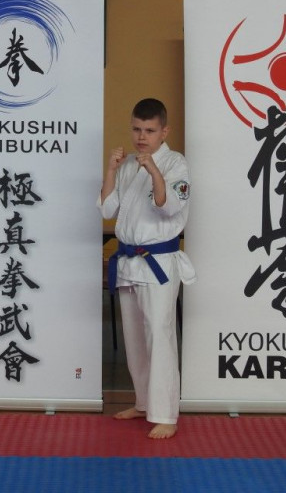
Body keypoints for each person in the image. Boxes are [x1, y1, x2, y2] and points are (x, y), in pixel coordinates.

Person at [98, 98, 196, 439]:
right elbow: (107, 210)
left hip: (158, 264)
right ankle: (143, 403)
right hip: (129, 262)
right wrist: (111, 170)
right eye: (137, 129)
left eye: (150, 131)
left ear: (164, 131)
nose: (142, 137)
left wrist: (154, 170)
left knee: (160, 334)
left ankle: (166, 414)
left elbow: (168, 208)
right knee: (135, 337)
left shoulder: (175, 163)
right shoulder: (127, 165)